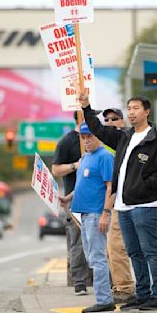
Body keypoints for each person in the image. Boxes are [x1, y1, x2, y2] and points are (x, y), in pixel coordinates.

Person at [79, 92, 157, 311]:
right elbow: (98, 129)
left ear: (147, 112)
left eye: (136, 108)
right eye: (129, 108)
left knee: (150, 251)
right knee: (134, 252)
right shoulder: (124, 135)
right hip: (123, 206)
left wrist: (146, 184)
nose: (131, 112)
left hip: (144, 205)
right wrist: (87, 107)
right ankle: (142, 294)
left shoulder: (156, 139)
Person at [59, 123, 115, 313]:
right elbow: (82, 184)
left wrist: (106, 213)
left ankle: (104, 299)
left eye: (90, 136)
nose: (87, 140)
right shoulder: (86, 158)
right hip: (84, 214)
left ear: (98, 136)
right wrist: (68, 198)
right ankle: (104, 297)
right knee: (92, 258)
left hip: (96, 213)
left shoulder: (105, 157)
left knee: (98, 258)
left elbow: (110, 187)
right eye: (83, 137)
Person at [52, 111, 91, 296]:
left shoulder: (96, 138)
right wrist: (76, 165)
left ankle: (100, 279)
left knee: (98, 240)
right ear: (80, 117)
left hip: (96, 198)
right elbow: (56, 170)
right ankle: (79, 282)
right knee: (77, 241)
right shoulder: (66, 141)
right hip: (74, 199)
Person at [102, 108, 136, 303]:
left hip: (122, 203)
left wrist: (107, 210)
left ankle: (124, 287)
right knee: (114, 248)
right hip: (110, 204)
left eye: (114, 119)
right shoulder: (105, 146)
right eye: (106, 119)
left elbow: (111, 184)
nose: (109, 122)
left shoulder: (125, 141)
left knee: (118, 246)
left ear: (122, 121)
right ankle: (120, 285)